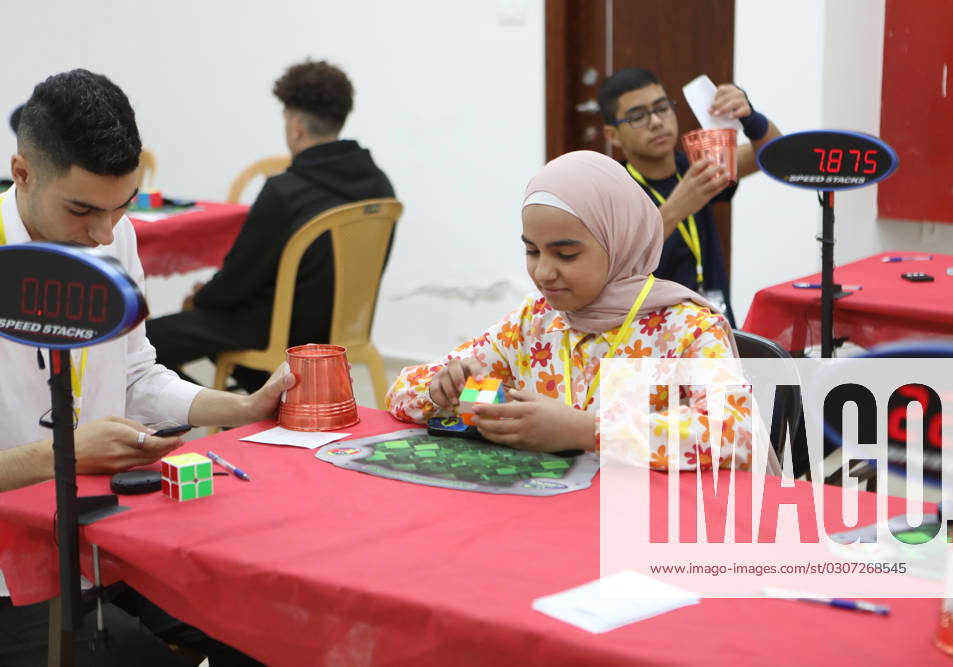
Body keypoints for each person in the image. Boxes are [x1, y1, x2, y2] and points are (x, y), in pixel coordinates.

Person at [0, 69, 285, 666]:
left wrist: (241, 407)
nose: (103, 233)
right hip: (11, 564)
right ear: (22, 172)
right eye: (81, 209)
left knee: (268, 631)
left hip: (111, 532)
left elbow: (136, 374)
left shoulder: (113, 236)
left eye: (120, 207)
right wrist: (63, 454)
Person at [386, 151, 764, 471]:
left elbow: (733, 431)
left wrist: (587, 431)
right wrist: (442, 393)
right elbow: (401, 390)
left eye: (566, 254)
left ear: (620, 243)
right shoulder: (536, 321)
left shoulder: (687, 329)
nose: (543, 273)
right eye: (532, 251)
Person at [146, 59, 395, 391]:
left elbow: (238, 278)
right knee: (204, 324)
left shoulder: (286, 192)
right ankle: (273, 405)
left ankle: (235, 412)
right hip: (339, 331)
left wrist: (203, 297)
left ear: (296, 127)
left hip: (277, 332)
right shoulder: (380, 187)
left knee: (144, 342)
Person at [598, 67, 782, 325]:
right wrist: (677, 207)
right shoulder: (611, 191)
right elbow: (616, 269)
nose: (656, 122)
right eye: (637, 116)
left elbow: (774, 156)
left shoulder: (695, 165)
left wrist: (749, 116)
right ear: (612, 135)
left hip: (713, 325)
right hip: (651, 336)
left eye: (661, 108)